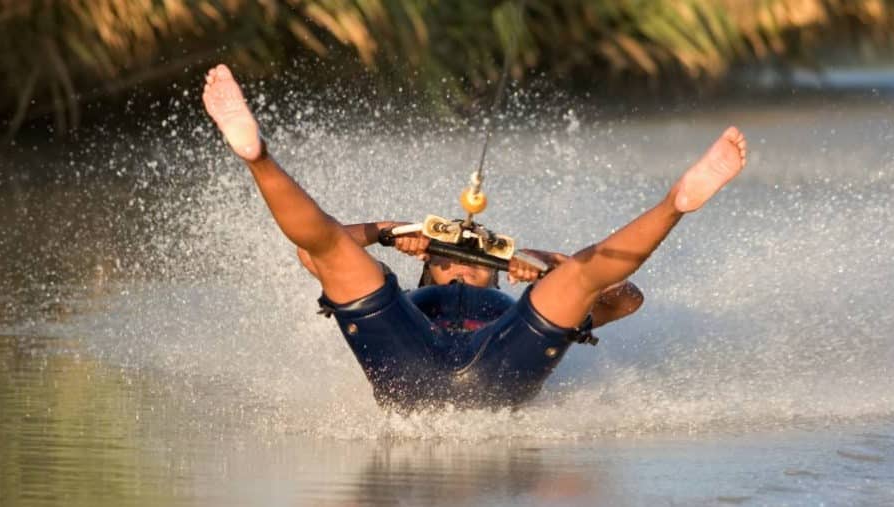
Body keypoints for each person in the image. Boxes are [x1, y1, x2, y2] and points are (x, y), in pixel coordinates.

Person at [202, 64, 747, 410]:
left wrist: (544, 264)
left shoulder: (515, 306)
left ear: (496, 272)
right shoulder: (406, 299)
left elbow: (626, 297)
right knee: (332, 248)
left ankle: (677, 202)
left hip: (501, 367)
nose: (463, 269)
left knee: (580, 276)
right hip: (405, 360)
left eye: (478, 261)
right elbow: (311, 250)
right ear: (427, 269)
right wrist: (391, 233)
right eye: (448, 260)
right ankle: (256, 154)